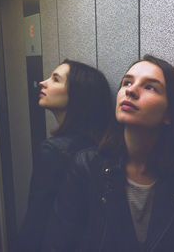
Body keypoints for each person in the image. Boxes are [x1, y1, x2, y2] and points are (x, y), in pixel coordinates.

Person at [51, 55, 174, 251]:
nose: (131, 90)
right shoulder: (87, 166)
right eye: (127, 82)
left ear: (168, 114)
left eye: (150, 87)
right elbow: (60, 244)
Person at [15, 59, 113, 251]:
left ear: (78, 95)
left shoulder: (54, 151)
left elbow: (37, 222)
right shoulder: (100, 144)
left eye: (55, 79)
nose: (43, 83)